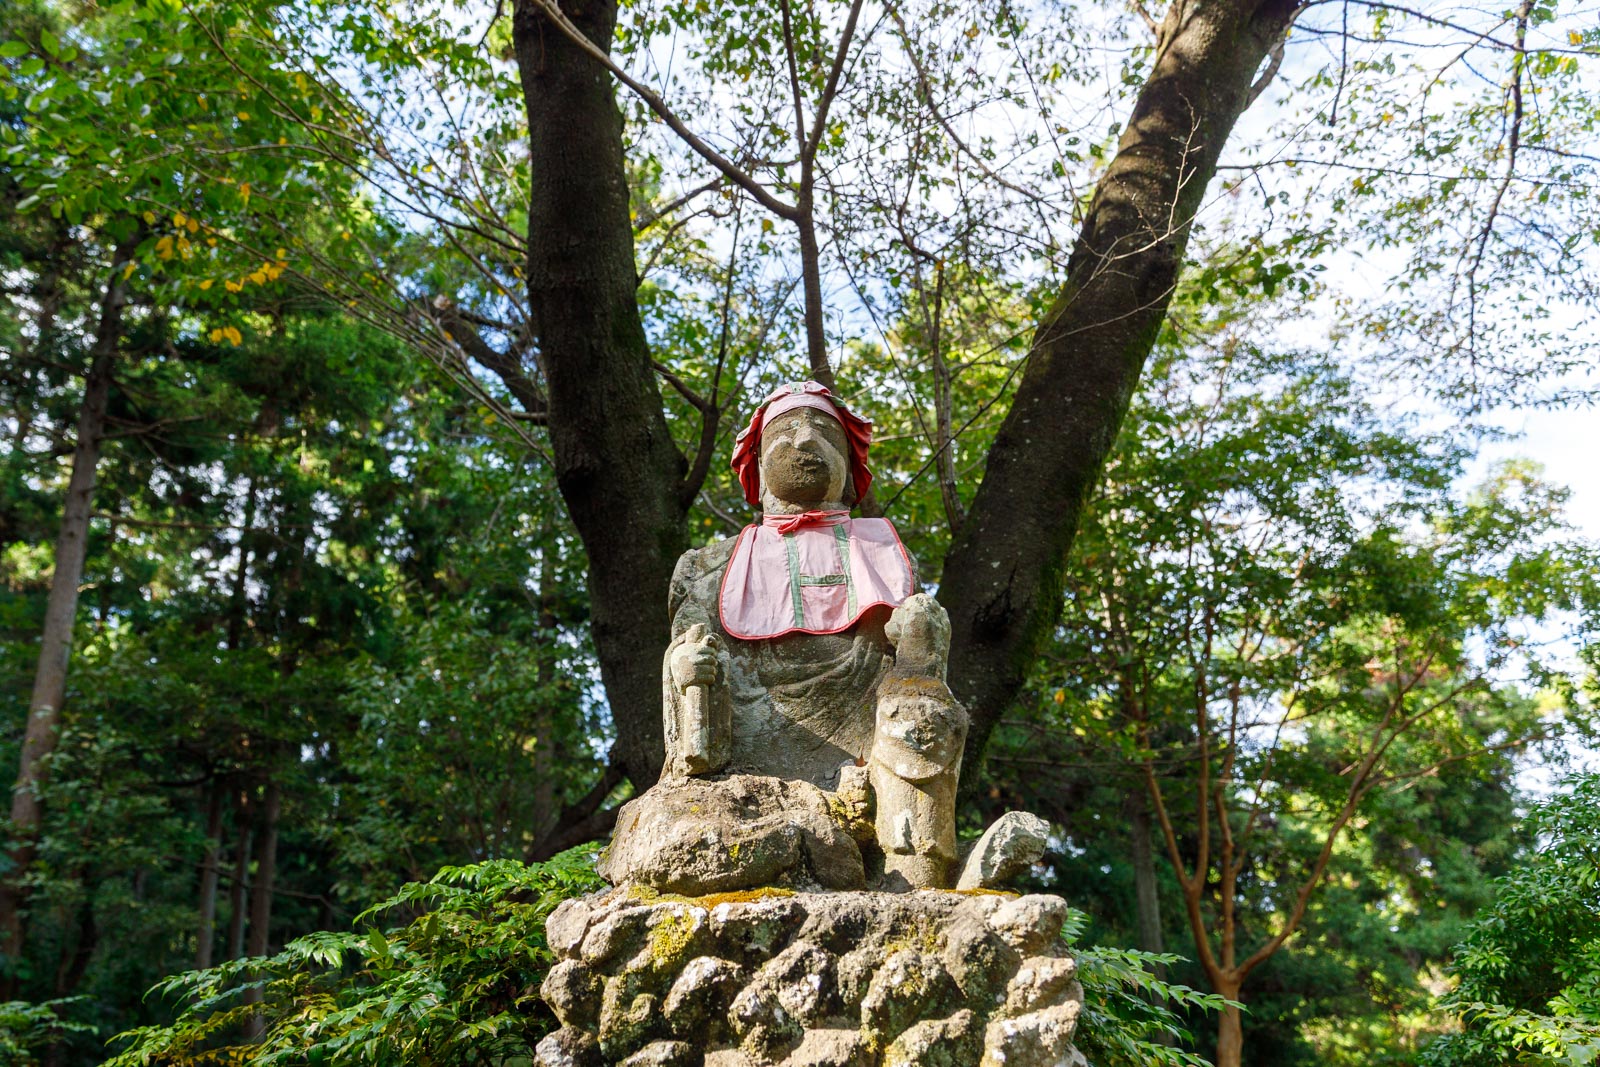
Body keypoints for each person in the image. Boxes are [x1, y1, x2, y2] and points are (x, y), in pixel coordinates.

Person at [661, 381, 946, 788]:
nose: (807, 439)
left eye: (826, 433)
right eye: (786, 431)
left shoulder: (886, 556)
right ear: (759, 467)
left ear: (849, 469)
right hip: (742, 769)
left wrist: (923, 638)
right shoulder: (706, 568)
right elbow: (688, 652)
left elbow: (916, 674)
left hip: (868, 763)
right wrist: (686, 669)